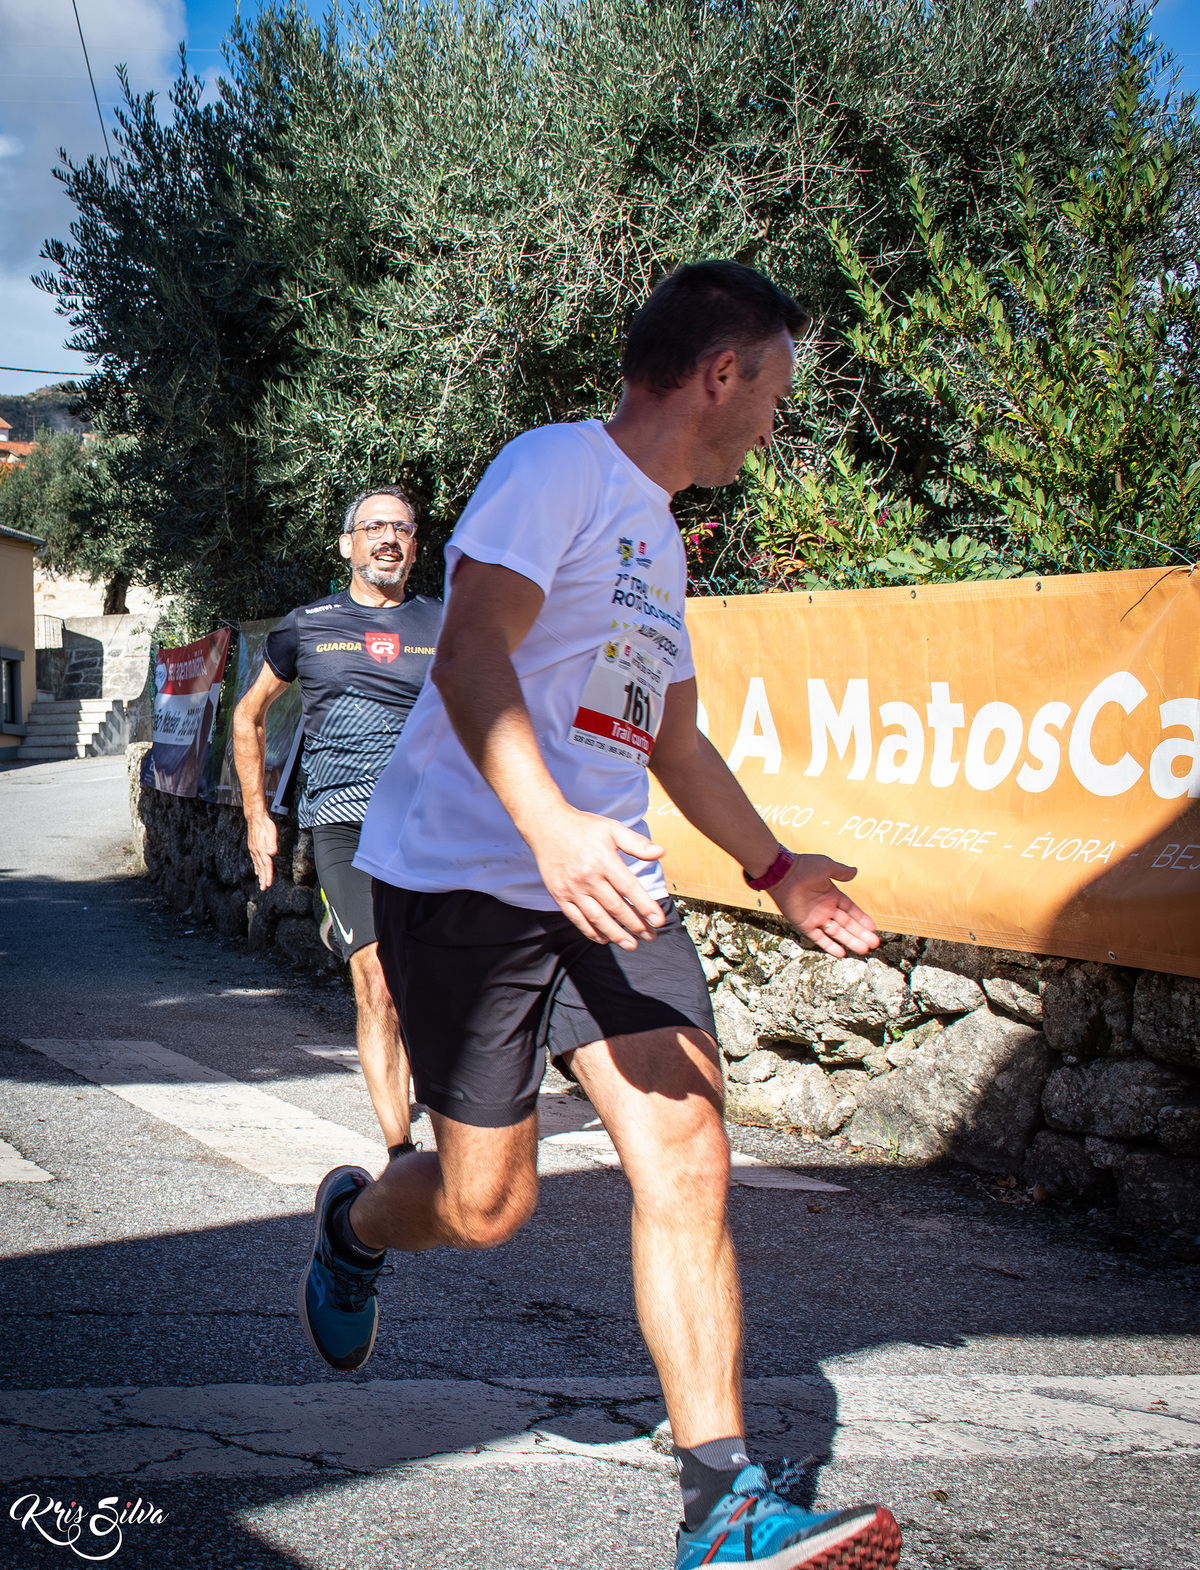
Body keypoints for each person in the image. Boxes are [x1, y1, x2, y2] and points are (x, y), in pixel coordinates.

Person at [296, 264, 902, 1569]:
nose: (775, 425)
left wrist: (778, 867)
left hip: (608, 885)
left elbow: (671, 740)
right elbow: (471, 654)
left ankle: (722, 1507)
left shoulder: (661, 539)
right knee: (486, 1202)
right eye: (776, 392)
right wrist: (550, 827)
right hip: (466, 881)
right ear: (722, 374)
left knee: (688, 1151)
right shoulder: (555, 468)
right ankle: (353, 1227)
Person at [232, 485, 442, 1160]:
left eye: (401, 528)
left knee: (428, 980)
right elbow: (247, 715)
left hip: (430, 825)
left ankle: (447, 1105)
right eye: (373, 526)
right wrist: (257, 814)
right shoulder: (307, 625)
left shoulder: (445, 624)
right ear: (348, 544)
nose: (388, 538)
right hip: (343, 822)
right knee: (376, 981)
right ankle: (402, 1154)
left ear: (415, 548)